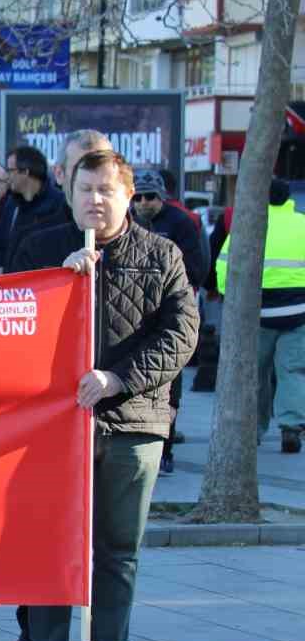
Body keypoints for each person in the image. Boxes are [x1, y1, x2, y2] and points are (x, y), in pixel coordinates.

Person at [11, 149, 196, 641]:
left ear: (128, 195)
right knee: (52, 541)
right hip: (52, 428)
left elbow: (181, 336)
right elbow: (10, 326)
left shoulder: (161, 255)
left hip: (133, 423)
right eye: (85, 189)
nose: (95, 200)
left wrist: (118, 380)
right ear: (68, 192)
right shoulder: (41, 249)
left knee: (118, 548)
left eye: (106, 191)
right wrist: (55, 289)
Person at [216, 177, 305, 454]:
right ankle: (291, 426)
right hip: (299, 312)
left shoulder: (247, 227)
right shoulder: (302, 224)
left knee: (255, 373)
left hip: (258, 313)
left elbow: (224, 267)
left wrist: (227, 298)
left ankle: (253, 430)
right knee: (292, 370)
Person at [131, 167, 208, 473]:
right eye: (137, 197)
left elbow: (196, 267)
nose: (143, 202)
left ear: (162, 197)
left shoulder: (181, 223)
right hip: (136, 315)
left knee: (168, 384)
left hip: (170, 313)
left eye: (150, 197)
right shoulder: (127, 223)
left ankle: (166, 448)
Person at [0, 145, 67, 272]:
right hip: (11, 285)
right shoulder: (11, 203)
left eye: (10, 170)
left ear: (25, 172)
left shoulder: (60, 204)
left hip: (43, 285)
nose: (6, 177)